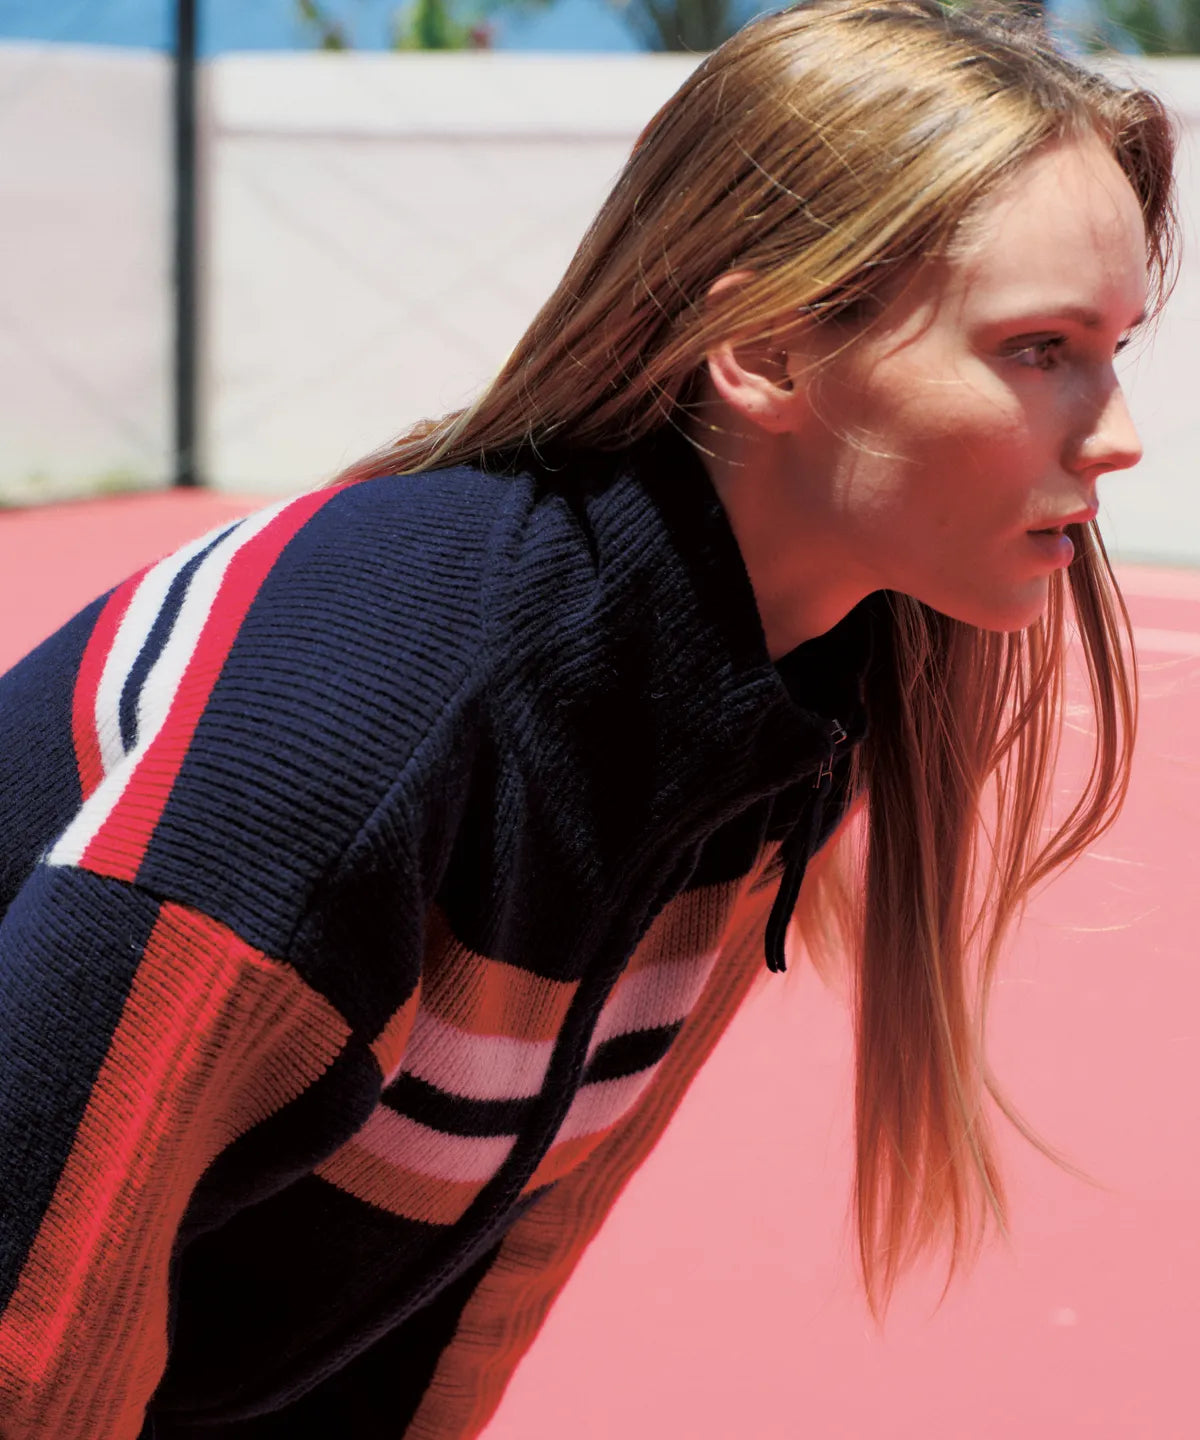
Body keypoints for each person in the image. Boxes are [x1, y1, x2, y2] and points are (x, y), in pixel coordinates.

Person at [0, 2, 1177, 1435]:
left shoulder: (784, 720)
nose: (1118, 434)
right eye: (1039, 348)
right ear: (771, 353)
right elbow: (24, 1325)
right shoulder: (366, 705)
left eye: (1112, 348)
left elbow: (472, 1273)